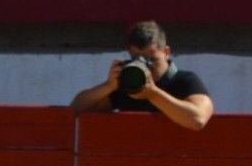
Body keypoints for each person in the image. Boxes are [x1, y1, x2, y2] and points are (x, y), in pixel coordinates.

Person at [70, 21, 215, 131]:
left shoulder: (184, 81)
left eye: (151, 59)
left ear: (166, 52)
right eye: (136, 58)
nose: (145, 65)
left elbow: (198, 119)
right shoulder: (128, 84)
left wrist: (153, 94)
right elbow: (76, 109)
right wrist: (108, 86)